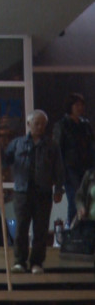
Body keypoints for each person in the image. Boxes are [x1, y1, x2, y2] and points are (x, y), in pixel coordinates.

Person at [5, 110, 65, 274]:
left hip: (43, 193)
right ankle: (19, 261)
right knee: (21, 229)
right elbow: (3, 160)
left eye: (43, 124)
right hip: (22, 193)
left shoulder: (52, 146)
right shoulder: (17, 144)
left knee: (40, 230)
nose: (39, 127)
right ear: (29, 124)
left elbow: (59, 169)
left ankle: (36, 262)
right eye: (36, 123)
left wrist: (59, 189)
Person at [52, 93, 95, 224]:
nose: (80, 107)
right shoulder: (62, 125)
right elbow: (57, 150)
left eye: (82, 105)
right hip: (70, 170)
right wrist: (58, 184)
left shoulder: (85, 125)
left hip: (87, 169)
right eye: (77, 105)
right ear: (70, 106)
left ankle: (86, 233)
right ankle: (73, 232)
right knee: (75, 200)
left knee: (88, 201)